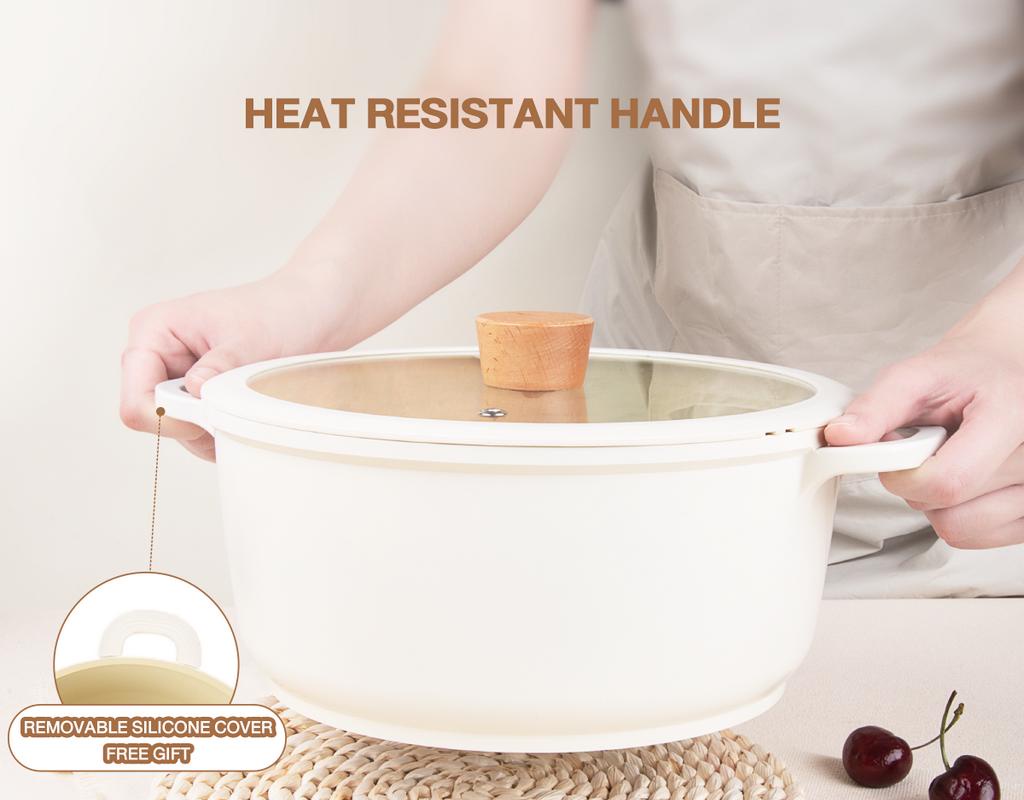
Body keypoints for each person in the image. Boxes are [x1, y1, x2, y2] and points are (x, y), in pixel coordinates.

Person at [119, 0, 1024, 597]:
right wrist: (299, 304)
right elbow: (491, 98)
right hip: (667, 473)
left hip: (992, 477)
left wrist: (1010, 343)